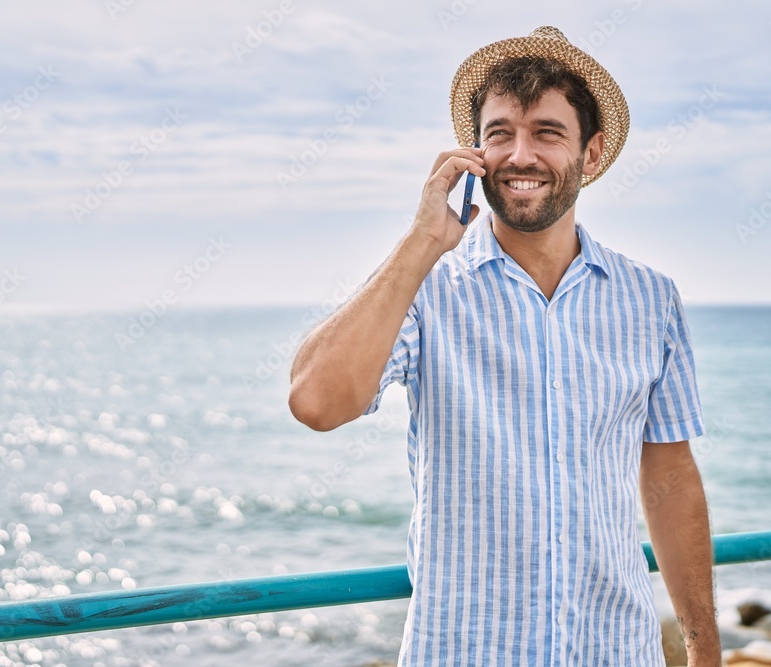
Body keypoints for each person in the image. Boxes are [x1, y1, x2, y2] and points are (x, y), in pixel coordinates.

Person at [289, 26, 721, 667]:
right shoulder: (427, 290)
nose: (521, 155)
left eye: (547, 132)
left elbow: (671, 477)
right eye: (500, 134)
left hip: (616, 651)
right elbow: (316, 403)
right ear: (475, 153)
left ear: (592, 153)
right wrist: (421, 243)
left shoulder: (650, 299)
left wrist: (703, 650)